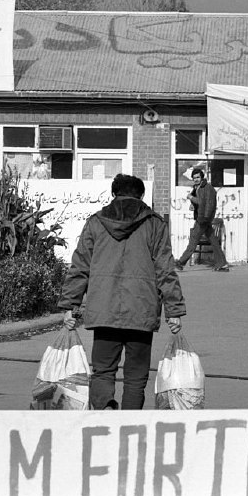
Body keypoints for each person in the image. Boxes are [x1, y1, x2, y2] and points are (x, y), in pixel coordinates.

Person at [58, 173, 185, 410]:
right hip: (141, 310)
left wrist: (70, 306)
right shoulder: (154, 224)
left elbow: (80, 266)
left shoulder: (95, 222)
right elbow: (166, 270)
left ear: (113, 194)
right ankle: (130, 424)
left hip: (104, 310)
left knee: (103, 370)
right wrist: (174, 311)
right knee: (136, 377)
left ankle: (105, 409)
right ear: (142, 196)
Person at [175, 168, 230, 272]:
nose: (196, 179)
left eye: (198, 177)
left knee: (193, 241)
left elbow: (202, 202)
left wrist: (191, 198)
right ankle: (223, 264)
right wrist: (193, 205)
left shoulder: (207, 188)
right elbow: (200, 203)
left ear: (202, 177)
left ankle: (180, 262)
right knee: (214, 242)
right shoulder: (198, 187)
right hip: (205, 219)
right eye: (194, 178)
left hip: (203, 219)